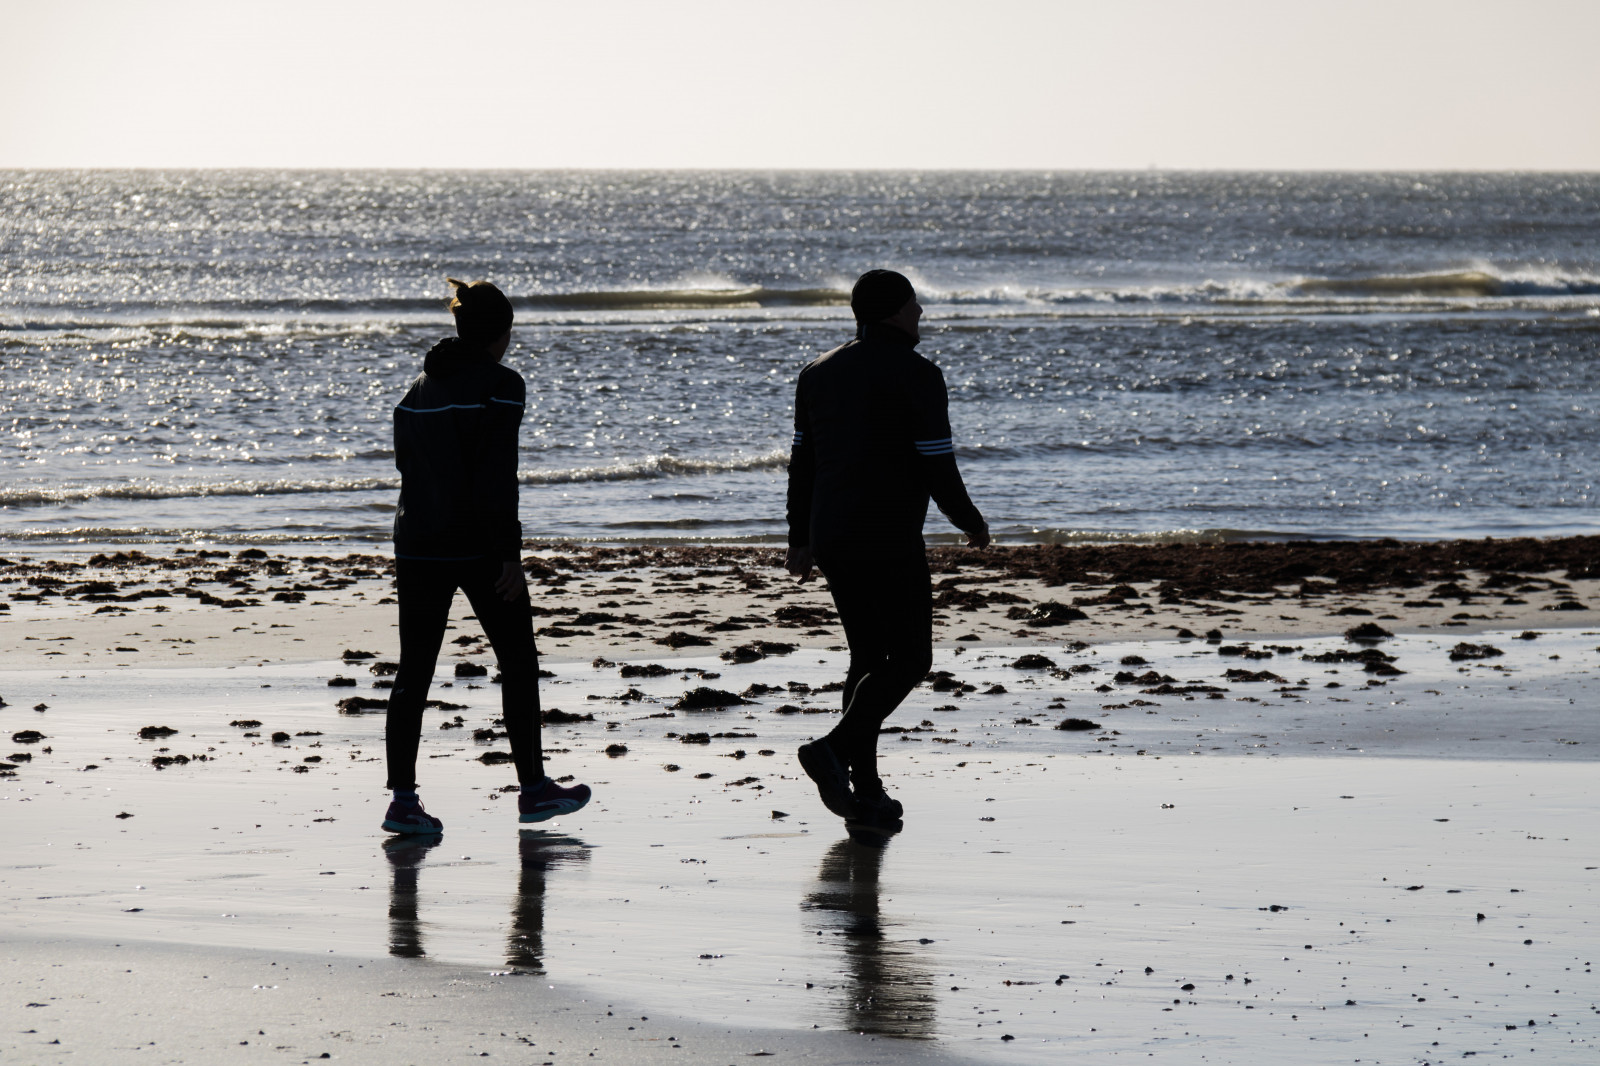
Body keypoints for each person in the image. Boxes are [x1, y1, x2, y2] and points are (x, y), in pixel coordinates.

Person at [381, 277, 590, 834]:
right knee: (518, 662)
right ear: (500, 332)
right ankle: (533, 789)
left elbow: (410, 470)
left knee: (414, 670)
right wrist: (509, 556)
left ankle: (402, 802)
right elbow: (498, 477)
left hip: (416, 545)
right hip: (475, 548)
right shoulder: (503, 385)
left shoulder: (418, 387)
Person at [785, 269, 989, 823]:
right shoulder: (918, 374)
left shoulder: (817, 372)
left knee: (868, 659)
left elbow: (803, 462)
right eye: (914, 305)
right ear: (895, 312)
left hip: (832, 534)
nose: (921, 313)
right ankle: (830, 750)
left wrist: (799, 537)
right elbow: (936, 462)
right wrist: (968, 520)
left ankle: (865, 792)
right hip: (887, 532)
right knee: (912, 659)